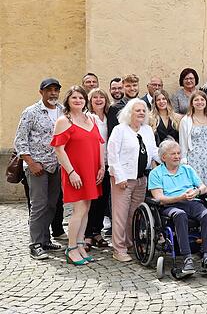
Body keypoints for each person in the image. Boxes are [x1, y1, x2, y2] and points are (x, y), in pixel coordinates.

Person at [148, 140, 207, 276]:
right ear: (163, 157)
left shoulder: (187, 169)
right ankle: (187, 259)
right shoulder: (156, 174)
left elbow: (203, 187)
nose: (177, 156)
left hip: (191, 201)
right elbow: (159, 198)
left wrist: (197, 192)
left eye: (178, 153)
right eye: (173, 154)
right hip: (170, 205)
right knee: (180, 215)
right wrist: (179, 198)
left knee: (206, 215)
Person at [51, 86, 105, 265]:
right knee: (78, 210)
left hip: (91, 170)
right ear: (68, 100)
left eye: (81, 97)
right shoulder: (63, 120)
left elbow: (98, 144)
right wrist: (71, 172)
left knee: (87, 209)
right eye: (74, 97)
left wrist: (101, 167)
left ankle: (80, 244)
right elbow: (59, 150)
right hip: (75, 173)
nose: (78, 100)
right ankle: (71, 248)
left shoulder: (91, 118)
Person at [15, 78, 65, 260]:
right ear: (41, 92)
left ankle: (45, 239)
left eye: (56, 90)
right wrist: (31, 162)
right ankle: (35, 244)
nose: (53, 93)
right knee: (38, 205)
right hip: (37, 167)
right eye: (49, 90)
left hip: (56, 166)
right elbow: (20, 140)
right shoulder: (31, 112)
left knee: (52, 204)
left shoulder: (62, 110)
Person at [108, 98, 159, 262]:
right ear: (130, 113)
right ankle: (118, 248)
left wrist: (169, 157)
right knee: (120, 215)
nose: (141, 113)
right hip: (124, 180)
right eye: (138, 110)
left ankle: (130, 243)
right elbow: (113, 155)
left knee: (134, 214)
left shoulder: (147, 130)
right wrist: (119, 176)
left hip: (141, 178)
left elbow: (153, 151)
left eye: (144, 111)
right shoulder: (120, 129)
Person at [83, 88, 112, 251]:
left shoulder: (109, 117)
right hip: (93, 164)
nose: (99, 100)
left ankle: (97, 232)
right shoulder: (88, 117)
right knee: (91, 200)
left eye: (102, 97)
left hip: (107, 163)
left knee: (102, 200)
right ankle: (87, 235)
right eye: (95, 97)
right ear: (90, 100)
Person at [179, 91, 207, 188]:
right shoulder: (186, 120)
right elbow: (182, 142)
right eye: (196, 100)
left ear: (206, 102)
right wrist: (183, 160)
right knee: (196, 185)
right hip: (194, 159)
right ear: (192, 103)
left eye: (202, 100)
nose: (199, 102)